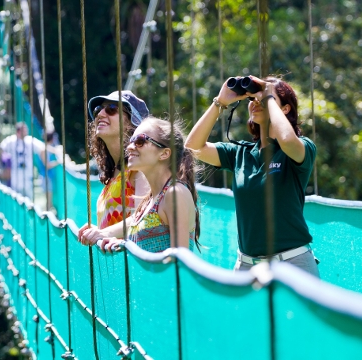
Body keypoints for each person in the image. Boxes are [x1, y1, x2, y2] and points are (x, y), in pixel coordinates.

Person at [185, 75, 319, 276]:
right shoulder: (240, 153)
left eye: (265, 98)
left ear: (285, 109)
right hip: (247, 267)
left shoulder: (302, 148)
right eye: (253, 99)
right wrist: (219, 102)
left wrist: (269, 96)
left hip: (293, 265)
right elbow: (192, 147)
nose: (257, 102)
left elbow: (287, 140)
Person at [99, 117, 200, 253]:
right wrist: (117, 241)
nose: (129, 147)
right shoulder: (149, 200)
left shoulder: (175, 193)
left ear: (164, 153)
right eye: (131, 141)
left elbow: (179, 263)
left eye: (140, 141)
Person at [78, 90, 150, 244]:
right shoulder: (115, 173)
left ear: (132, 123)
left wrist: (103, 232)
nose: (100, 114)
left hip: (135, 265)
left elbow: (145, 217)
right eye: (98, 110)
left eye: (111, 109)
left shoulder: (142, 167)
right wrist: (96, 230)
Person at [0, 122, 44, 199]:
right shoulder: (11, 140)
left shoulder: (30, 140)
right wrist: (5, 162)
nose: (26, 132)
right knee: (16, 199)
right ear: (18, 131)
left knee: (29, 200)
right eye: (24, 130)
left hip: (28, 175)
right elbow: (0, 149)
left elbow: (43, 148)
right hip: (15, 175)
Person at [38, 131, 59, 211]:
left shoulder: (47, 148)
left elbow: (54, 150)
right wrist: (58, 162)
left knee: (49, 200)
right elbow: (47, 165)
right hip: (45, 177)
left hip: (48, 177)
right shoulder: (43, 150)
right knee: (48, 201)